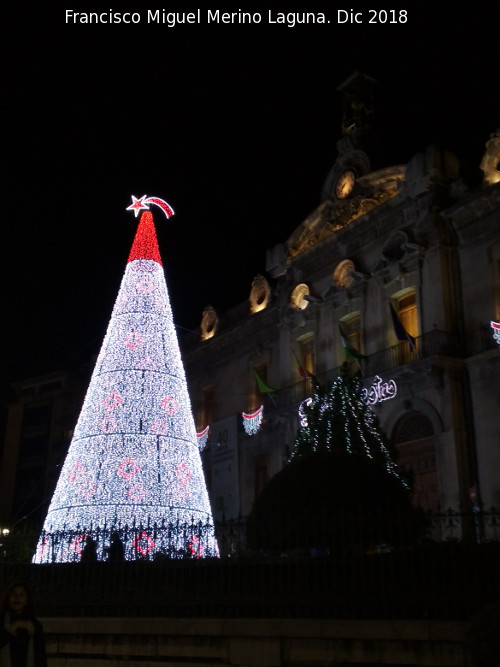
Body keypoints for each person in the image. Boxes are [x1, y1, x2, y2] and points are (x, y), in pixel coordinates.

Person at [0, 582, 47, 667]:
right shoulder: (2, 622)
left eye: (22, 595)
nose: (17, 598)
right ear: (8, 599)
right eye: (14, 594)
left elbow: (40, 657)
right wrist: (12, 628)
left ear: (27, 601)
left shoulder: (34, 625)